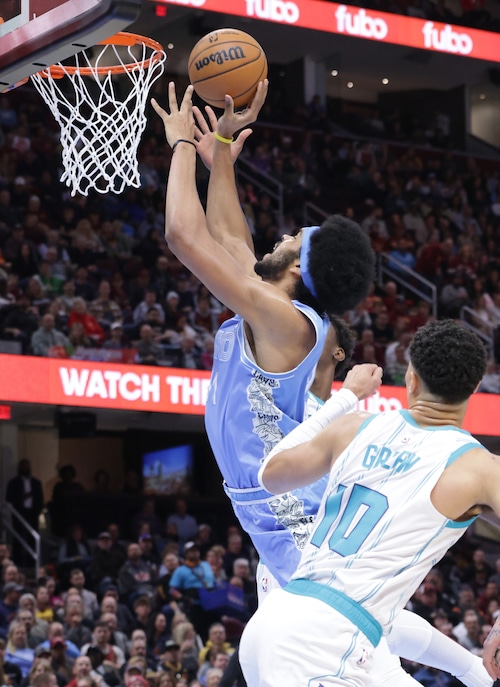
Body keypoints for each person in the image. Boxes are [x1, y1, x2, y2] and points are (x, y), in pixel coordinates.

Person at [153, 84, 489, 687]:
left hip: (284, 501)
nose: (277, 238)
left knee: (345, 607)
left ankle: (472, 670)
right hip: (271, 497)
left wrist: (180, 143)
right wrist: (222, 151)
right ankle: (472, 673)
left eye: (288, 240)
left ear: (297, 268)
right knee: (338, 611)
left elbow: (185, 236)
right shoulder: (276, 309)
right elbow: (231, 243)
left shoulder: (286, 322)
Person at [237, 319, 500, 686]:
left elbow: (270, 473)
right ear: (475, 386)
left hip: (277, 620)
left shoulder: (354, 426)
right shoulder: (483, 469)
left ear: (410, 378)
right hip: (327, 643)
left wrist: (345, 400)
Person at [5, 459, 44, 566]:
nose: (25, 468)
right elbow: (9, 498)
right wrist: (21, 498)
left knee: (32, 538)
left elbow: (40, 499)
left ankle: (32, 562)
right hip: (19, 514)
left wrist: (37, 511)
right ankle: (18, 561)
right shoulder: (13, 482)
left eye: (27, 465)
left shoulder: (36, 483)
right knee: (18, 538)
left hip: (32, 514)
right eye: (23, 466)